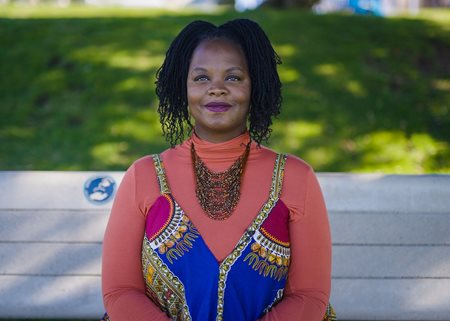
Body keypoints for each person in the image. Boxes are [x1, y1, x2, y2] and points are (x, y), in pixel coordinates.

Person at [102, 19, 335, 321]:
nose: (217, 90)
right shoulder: (144, 175)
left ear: (256, 85)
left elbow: (309, 296)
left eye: (234, 78)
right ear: (182, 87)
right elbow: (120, 291)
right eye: (201, 78)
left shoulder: (295, 177)